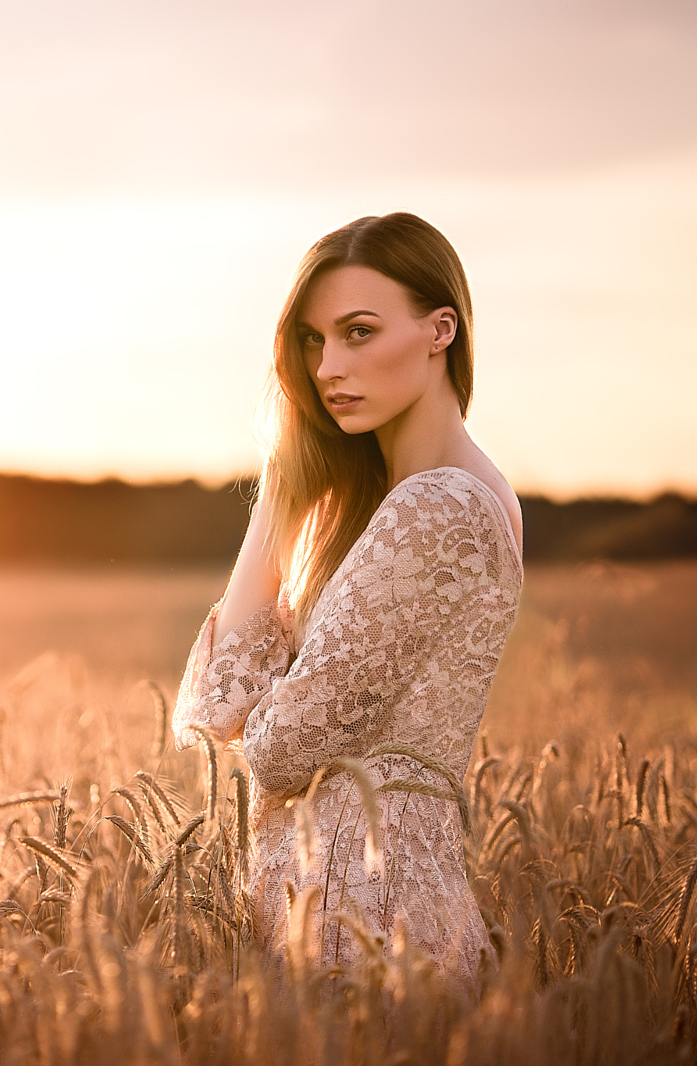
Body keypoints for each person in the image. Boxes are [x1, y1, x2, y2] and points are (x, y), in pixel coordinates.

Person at [172, 212, 524, 998]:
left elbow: (271, 748)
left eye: (359, 333)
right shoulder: (388, 508)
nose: (329, 366)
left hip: (366, 913)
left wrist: (268, 709)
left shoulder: (438, 506)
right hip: (335, 900)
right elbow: (218, 709)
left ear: (441, 330)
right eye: (312, 340)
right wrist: (286, 481)